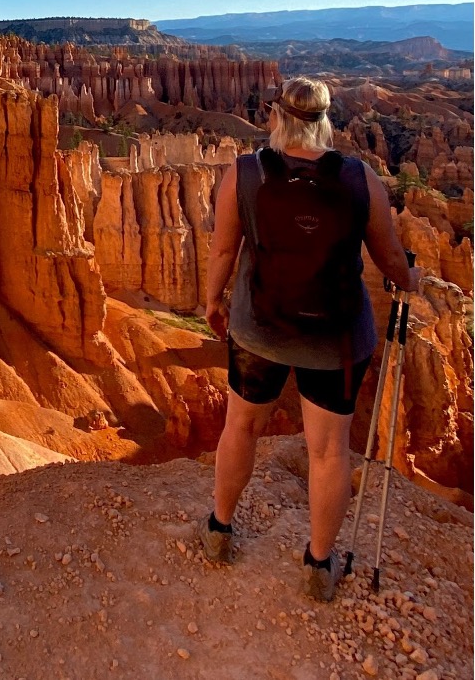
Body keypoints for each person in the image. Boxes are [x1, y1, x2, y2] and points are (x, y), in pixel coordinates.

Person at [200, 76, 421, 602]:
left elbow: (223, 251)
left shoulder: (244, 173)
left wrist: (212, 301)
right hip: (336, 339)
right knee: (327, 451)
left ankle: (219, 530)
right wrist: (411, 281)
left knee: (241, 429)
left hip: (260, 332)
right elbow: (389, 257)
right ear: (326, 120)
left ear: (277, 117)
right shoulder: (360, 177)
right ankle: (319, 566)